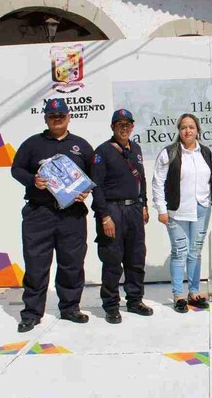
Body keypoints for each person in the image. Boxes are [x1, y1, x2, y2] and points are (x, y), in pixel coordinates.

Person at [11, 98, 93, 333]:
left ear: (68, 117)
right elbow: (16, 169)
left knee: (72, 263)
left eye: (61, 116)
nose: (57, 119)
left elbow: (93, 176)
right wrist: (32, 180)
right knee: (36, 264)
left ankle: (70, 308)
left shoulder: (81, 145)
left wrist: (85, 192)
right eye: (52, 116)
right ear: (46, 119)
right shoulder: (32, 144)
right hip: (40, 214)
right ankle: (31, 313)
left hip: (72, 215)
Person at [90, 109, 153, 324]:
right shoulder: (102, 152)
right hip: (113, 210)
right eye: (119, 124)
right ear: (112, 127)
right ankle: (111, 305)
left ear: (133, 127)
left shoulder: (136, 149)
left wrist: (143, 204)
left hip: (134, 210)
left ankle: (135, 300)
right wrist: (104, 217)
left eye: (128, 124)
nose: (124, 127)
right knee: (112, 259)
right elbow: (96, 187)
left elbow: (141, 179)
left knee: (136, 257)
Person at [152, 113, 212, 313]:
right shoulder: (169, 153)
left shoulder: (205, 152)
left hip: (201, 208)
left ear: (197, 130)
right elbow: (158, 182)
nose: (187, 131)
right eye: (183, 127)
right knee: (180, 252)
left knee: (195, 252)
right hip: (176, 210)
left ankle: (194, 292)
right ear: (179, 131)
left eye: (191, 127)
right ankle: (179, 294)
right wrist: (161, 209)